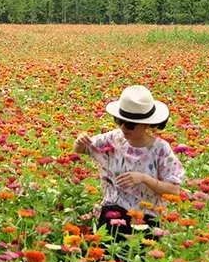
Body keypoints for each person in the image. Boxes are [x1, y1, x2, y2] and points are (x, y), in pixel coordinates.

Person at [74, 85, 185, 251]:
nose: (123, 128)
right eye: (119, 121)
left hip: (145, 219)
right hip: (112, 212)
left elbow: (174, 190)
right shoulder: (114, 138)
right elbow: (82, 149)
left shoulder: (161, 149)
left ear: (146, 124)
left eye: (130, 125)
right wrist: (80, 141)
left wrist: (144, 178)